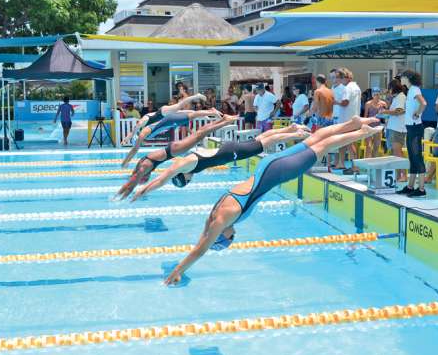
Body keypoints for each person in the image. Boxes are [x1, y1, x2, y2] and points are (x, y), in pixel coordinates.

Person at [161, 117, 383, 285]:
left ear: (222, 235)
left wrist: (178, 271)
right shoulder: (214, 215)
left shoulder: (223, 218)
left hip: (277, 172)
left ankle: (361, 132)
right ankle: (352, 123)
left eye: (231, 238)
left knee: (321, 147)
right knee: (313, 139)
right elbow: (203, 238)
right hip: (268, 165)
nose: (234, 235)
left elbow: (201, 249)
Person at [131, 124, 313, 201]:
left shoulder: (187, 165)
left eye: (187, 181)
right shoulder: (191, 165)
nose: (190, 181)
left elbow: (162, 179)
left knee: (263, 143)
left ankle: (296, 134)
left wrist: (142, 191)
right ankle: (291, 128)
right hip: (228, 150)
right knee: (260, 140)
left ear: (183, 177)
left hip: (230, 153)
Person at [116, 113, 239, 200]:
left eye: (144, 179)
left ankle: (225, 121)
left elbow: (132, 183)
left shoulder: (144, 167)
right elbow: (132, 180)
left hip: (173, 151)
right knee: (200, 134)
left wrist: (124, 195)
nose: (143, 179)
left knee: (200, 134)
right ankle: (223, 120)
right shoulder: (142, 165)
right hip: (172, 150)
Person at [120, 94, 212, 168]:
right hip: (164, 118)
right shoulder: (145, 133)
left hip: (161, 113)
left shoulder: (143, 129)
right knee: (181, 111)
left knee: (178, 106)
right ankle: (203, 111)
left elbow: (135, 147)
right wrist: (128, 139)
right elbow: (135, 144)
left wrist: (126, 160)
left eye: (140, 142)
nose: (141, 143)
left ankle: (197, 96)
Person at [397, 70, 428, 197]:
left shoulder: (414, 89)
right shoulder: (410, 91)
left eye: (402, 77)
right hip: (411, 128)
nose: (400, 79)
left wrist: (417, 113)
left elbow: (423, 103)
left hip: (415, 129)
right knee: (412, 158)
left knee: (417, 157)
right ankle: (410, 186)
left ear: (407, 78)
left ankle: (421, 189)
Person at [381, 79, 407, 181]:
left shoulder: (401, 97)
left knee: (398, 152)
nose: (389, 91)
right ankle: (397, 175)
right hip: (394, 128)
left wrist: (385, 111)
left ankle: (404, 175)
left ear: (392, 88)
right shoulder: (397, 98)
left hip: (398, 129)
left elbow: (399, 111)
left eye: (389, 89)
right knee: (395, 153)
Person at [339, 68, 362, 173]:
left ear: (346, 78)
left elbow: (345, 102)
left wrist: (335, 102)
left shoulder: (347, 88)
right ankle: (355, 165)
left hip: (348, 120)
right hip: (354, 118)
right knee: (351, 142)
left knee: (349, 143)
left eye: (340, 78)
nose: (340, 81)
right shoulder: (356, 87)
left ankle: (355, 166)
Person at [363, 87, 388, 158]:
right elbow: (365, 117)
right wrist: (364, 127)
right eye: (375, 94)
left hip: (378, 127)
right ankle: (367, 164)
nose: (376, 96)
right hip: (369, 127)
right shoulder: (368, 104)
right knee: (368, 146)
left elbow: (386, 116)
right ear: (372, 95)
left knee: (376, 147)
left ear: (380, 94)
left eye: (378, 94)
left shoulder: (383, 104)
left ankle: (374, 163)